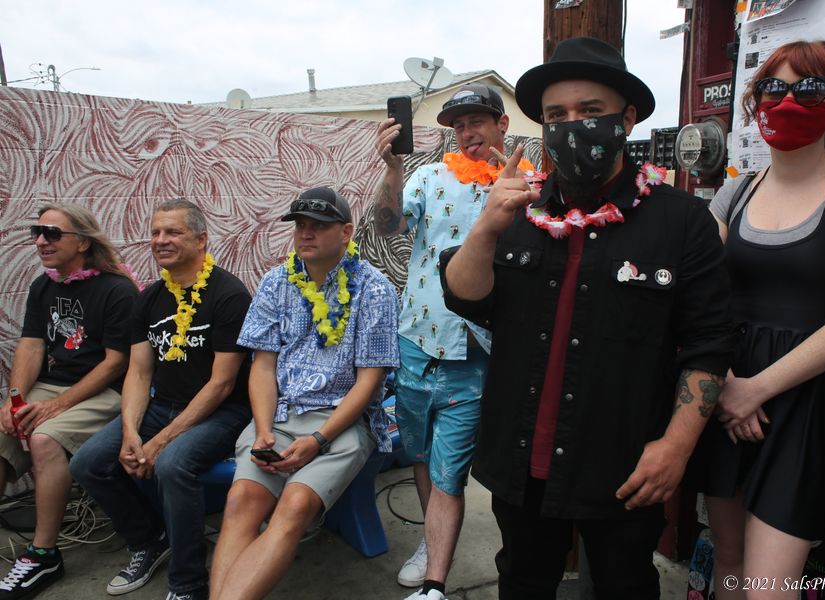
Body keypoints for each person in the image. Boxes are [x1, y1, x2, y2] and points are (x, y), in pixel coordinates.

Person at [440, 37, 735, 599]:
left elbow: (709, 343)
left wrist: (676, 447)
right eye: (556, 115)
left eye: (590, 110)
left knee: (626, 585)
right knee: (522, 583)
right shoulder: (517, 209)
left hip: (624, 463)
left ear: (627, 119)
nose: (572, 125)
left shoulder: (681, 221)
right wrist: (486, 227)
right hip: (520, 460)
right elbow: (465, 298)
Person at [693, 40, 825, 600]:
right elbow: (698, 296)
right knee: (729, 559)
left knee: (769, 585)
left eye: (808, 89)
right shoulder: (734, 192)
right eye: (772, 88)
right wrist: (725, 385)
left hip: (807, 399)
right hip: (728, 388)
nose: (787, 101)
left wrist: (753, 391)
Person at [372, 83, 531, 599]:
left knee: (450, 465)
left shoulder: (529, 185)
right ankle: (430, 540)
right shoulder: (428, 177)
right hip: (417, 339)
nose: (467, 133)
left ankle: (435, 581)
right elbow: (387, 224)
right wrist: (393, 169)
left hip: (479, 347)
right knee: (420, 453)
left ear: (501, 124)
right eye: (458, 126)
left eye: (476, 121)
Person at [208, 187, 399, 600]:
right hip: (278, 416)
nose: (306, 234)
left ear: (346, 232)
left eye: (319, 226)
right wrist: (263, 431)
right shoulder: (276, 281)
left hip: (342, 423)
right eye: (300, 226)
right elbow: (262, 366)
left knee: (294, 506)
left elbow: (369, 383)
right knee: (240, 501)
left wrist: (318, 439)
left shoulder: (375, 289)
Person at [70, 199, 252, 600]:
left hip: (223, 411)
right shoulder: (149, 298)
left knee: (172, 465)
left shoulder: (229, 295)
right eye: (155, 232)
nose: (160, 240)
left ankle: (188, 582)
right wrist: (131, 432)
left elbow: (222, 384)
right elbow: (138, 372)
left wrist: (161, 441)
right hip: (162, 405)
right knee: (88, 462)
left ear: (201, 239)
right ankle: (150, 539)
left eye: (173, 232)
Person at [0, 203, 139, 599]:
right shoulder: (43, 286)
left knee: (44, 439)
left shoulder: (116, 289)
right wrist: (15, 401)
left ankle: (43, 554)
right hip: (56, 384)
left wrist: (56, 407)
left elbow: (116, 363)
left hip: (106, 391)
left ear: (82, 242)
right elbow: (31, 345)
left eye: (52, 233)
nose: (41, 241)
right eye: (37, 232)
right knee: (3, 430)